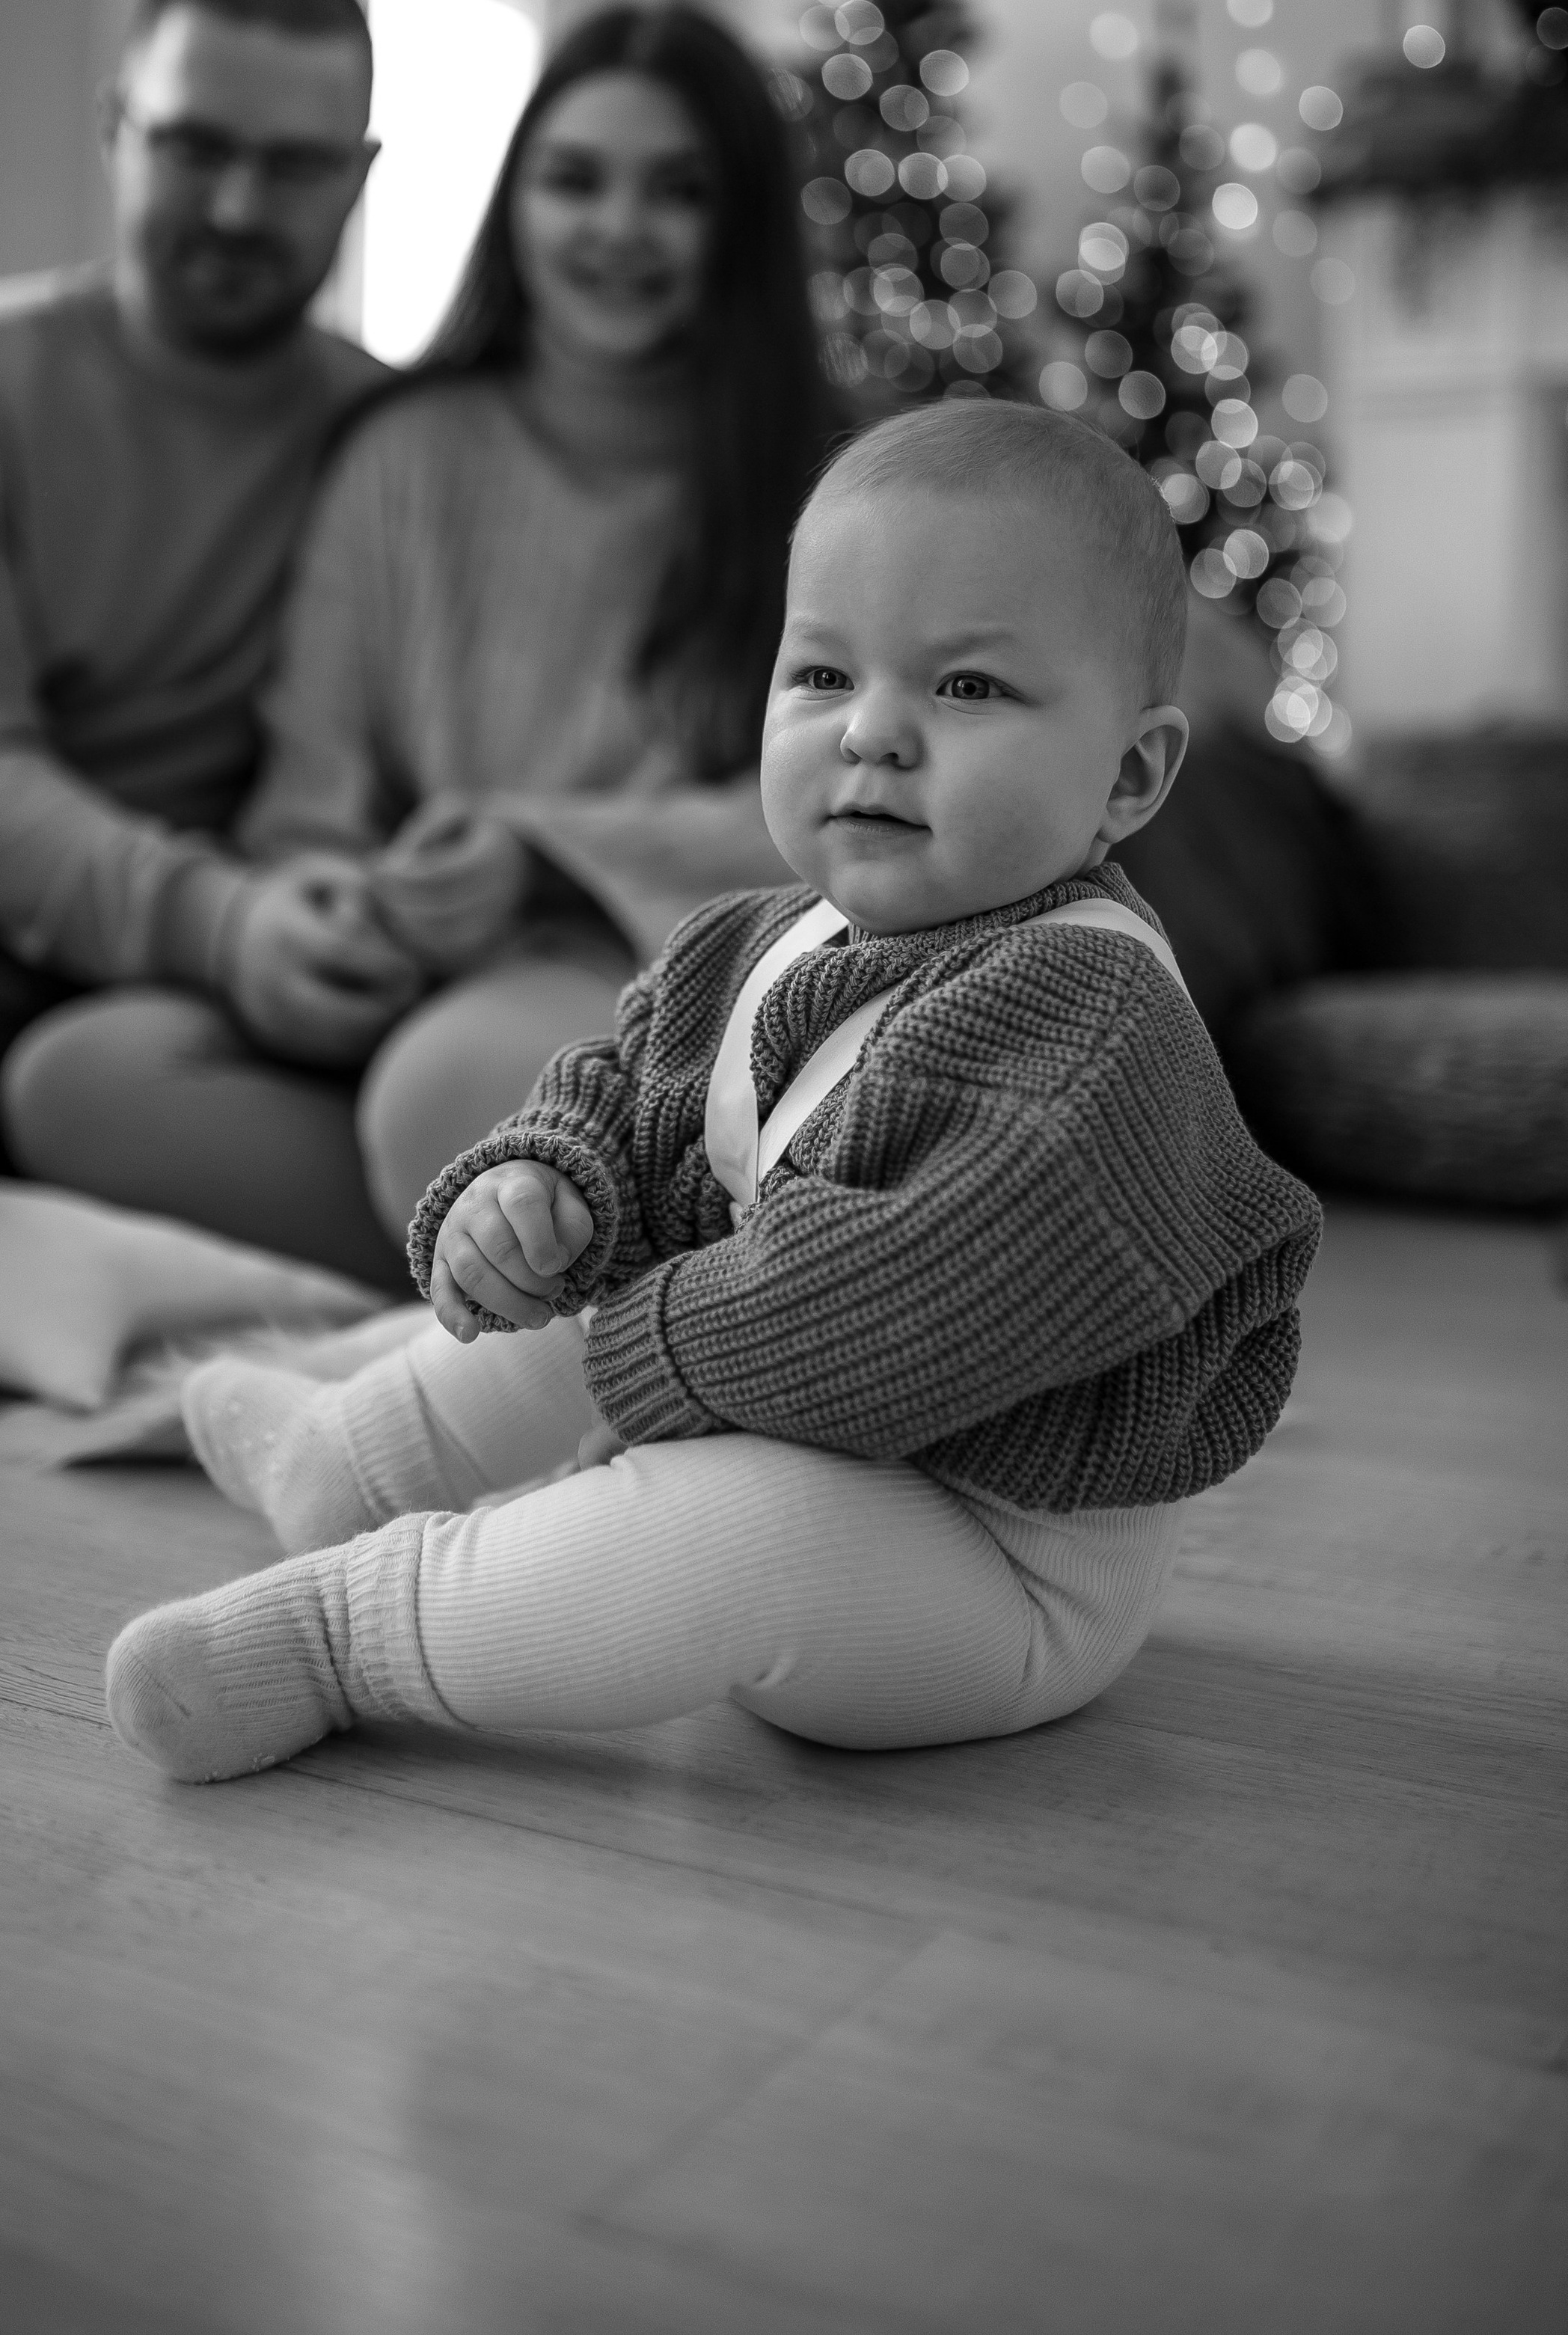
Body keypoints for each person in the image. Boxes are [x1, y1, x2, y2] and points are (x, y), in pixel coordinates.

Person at [101, 399, 1323, 1784]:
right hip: (781, 1388)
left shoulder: (1095, 1025)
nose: (873, 733)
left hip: (993, 1558)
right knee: (582, 1265)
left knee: (733, 1517)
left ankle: (343, 1638)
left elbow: (883, 1313)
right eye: (824, 674)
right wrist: (546, 1179)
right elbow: (630, 1083)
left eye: (969, 688)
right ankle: (348, 1461)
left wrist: (625, 1375)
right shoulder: (759, 938)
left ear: (1131, 773)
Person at [1, 4, 833, 1264]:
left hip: (648, 971)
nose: (617, 227)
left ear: (742, 227)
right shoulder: (402, 451)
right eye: (574, 180)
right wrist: (326, 911)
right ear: (515, 205)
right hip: (423, 962)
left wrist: (544, 856)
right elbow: (312, 780)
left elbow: (841, 801)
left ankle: (522, 1253)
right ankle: (515, 1263)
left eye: (678, 191)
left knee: (441, 1091)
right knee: (78, 1079)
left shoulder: (827, 484)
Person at [0, 0, 416, 1282]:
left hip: (290, 945)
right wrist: (222, 925)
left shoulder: (401, 440)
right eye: (196, 147)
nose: (240, 206)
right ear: (115, 129)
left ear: (360, 177)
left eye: (296, 165)